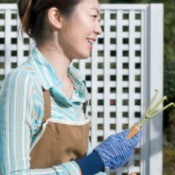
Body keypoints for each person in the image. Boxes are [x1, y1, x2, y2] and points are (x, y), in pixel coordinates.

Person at [0, 0, 142, 174]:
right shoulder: (24, 82)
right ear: (57, 17)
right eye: (93, 16)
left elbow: (84, 167)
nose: (99, 29)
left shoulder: (78, 88)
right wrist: (94, 162)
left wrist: (98, 167)